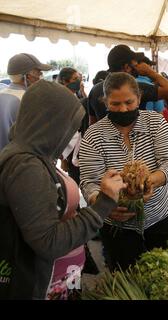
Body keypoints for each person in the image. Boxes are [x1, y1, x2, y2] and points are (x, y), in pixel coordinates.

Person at [0, 80, 123, 299]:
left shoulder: (35, 156)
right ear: (50, 123)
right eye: (72, 125)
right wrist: (104, 204)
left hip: (59, 277)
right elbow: (49, 242)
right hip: (42, 285)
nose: (74, 132)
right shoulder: (26, 167)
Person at [79, 72, 168, 270]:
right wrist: (102, 204)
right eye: (115, 104)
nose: (123, 108)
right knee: (127, 279)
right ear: (105, 102)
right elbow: (89, 181)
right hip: (117, 227)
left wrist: (149, 181)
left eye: (129, 102)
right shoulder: (94, 135)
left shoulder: (155, 122)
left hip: (160, 217)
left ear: (139, 98)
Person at [88, 44, 168, 124]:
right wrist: (150, 72)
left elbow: (92, 122)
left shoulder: (94, 90)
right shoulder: (134, 87)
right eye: (136, 63)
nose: (138, 66)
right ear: (126, 67)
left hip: (103, 140)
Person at [0, 53, 51, 150]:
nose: (41, 76)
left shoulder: (2, 93)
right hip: (19, 161)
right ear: (27, 76)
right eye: (39, 73)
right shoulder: (28, 99)